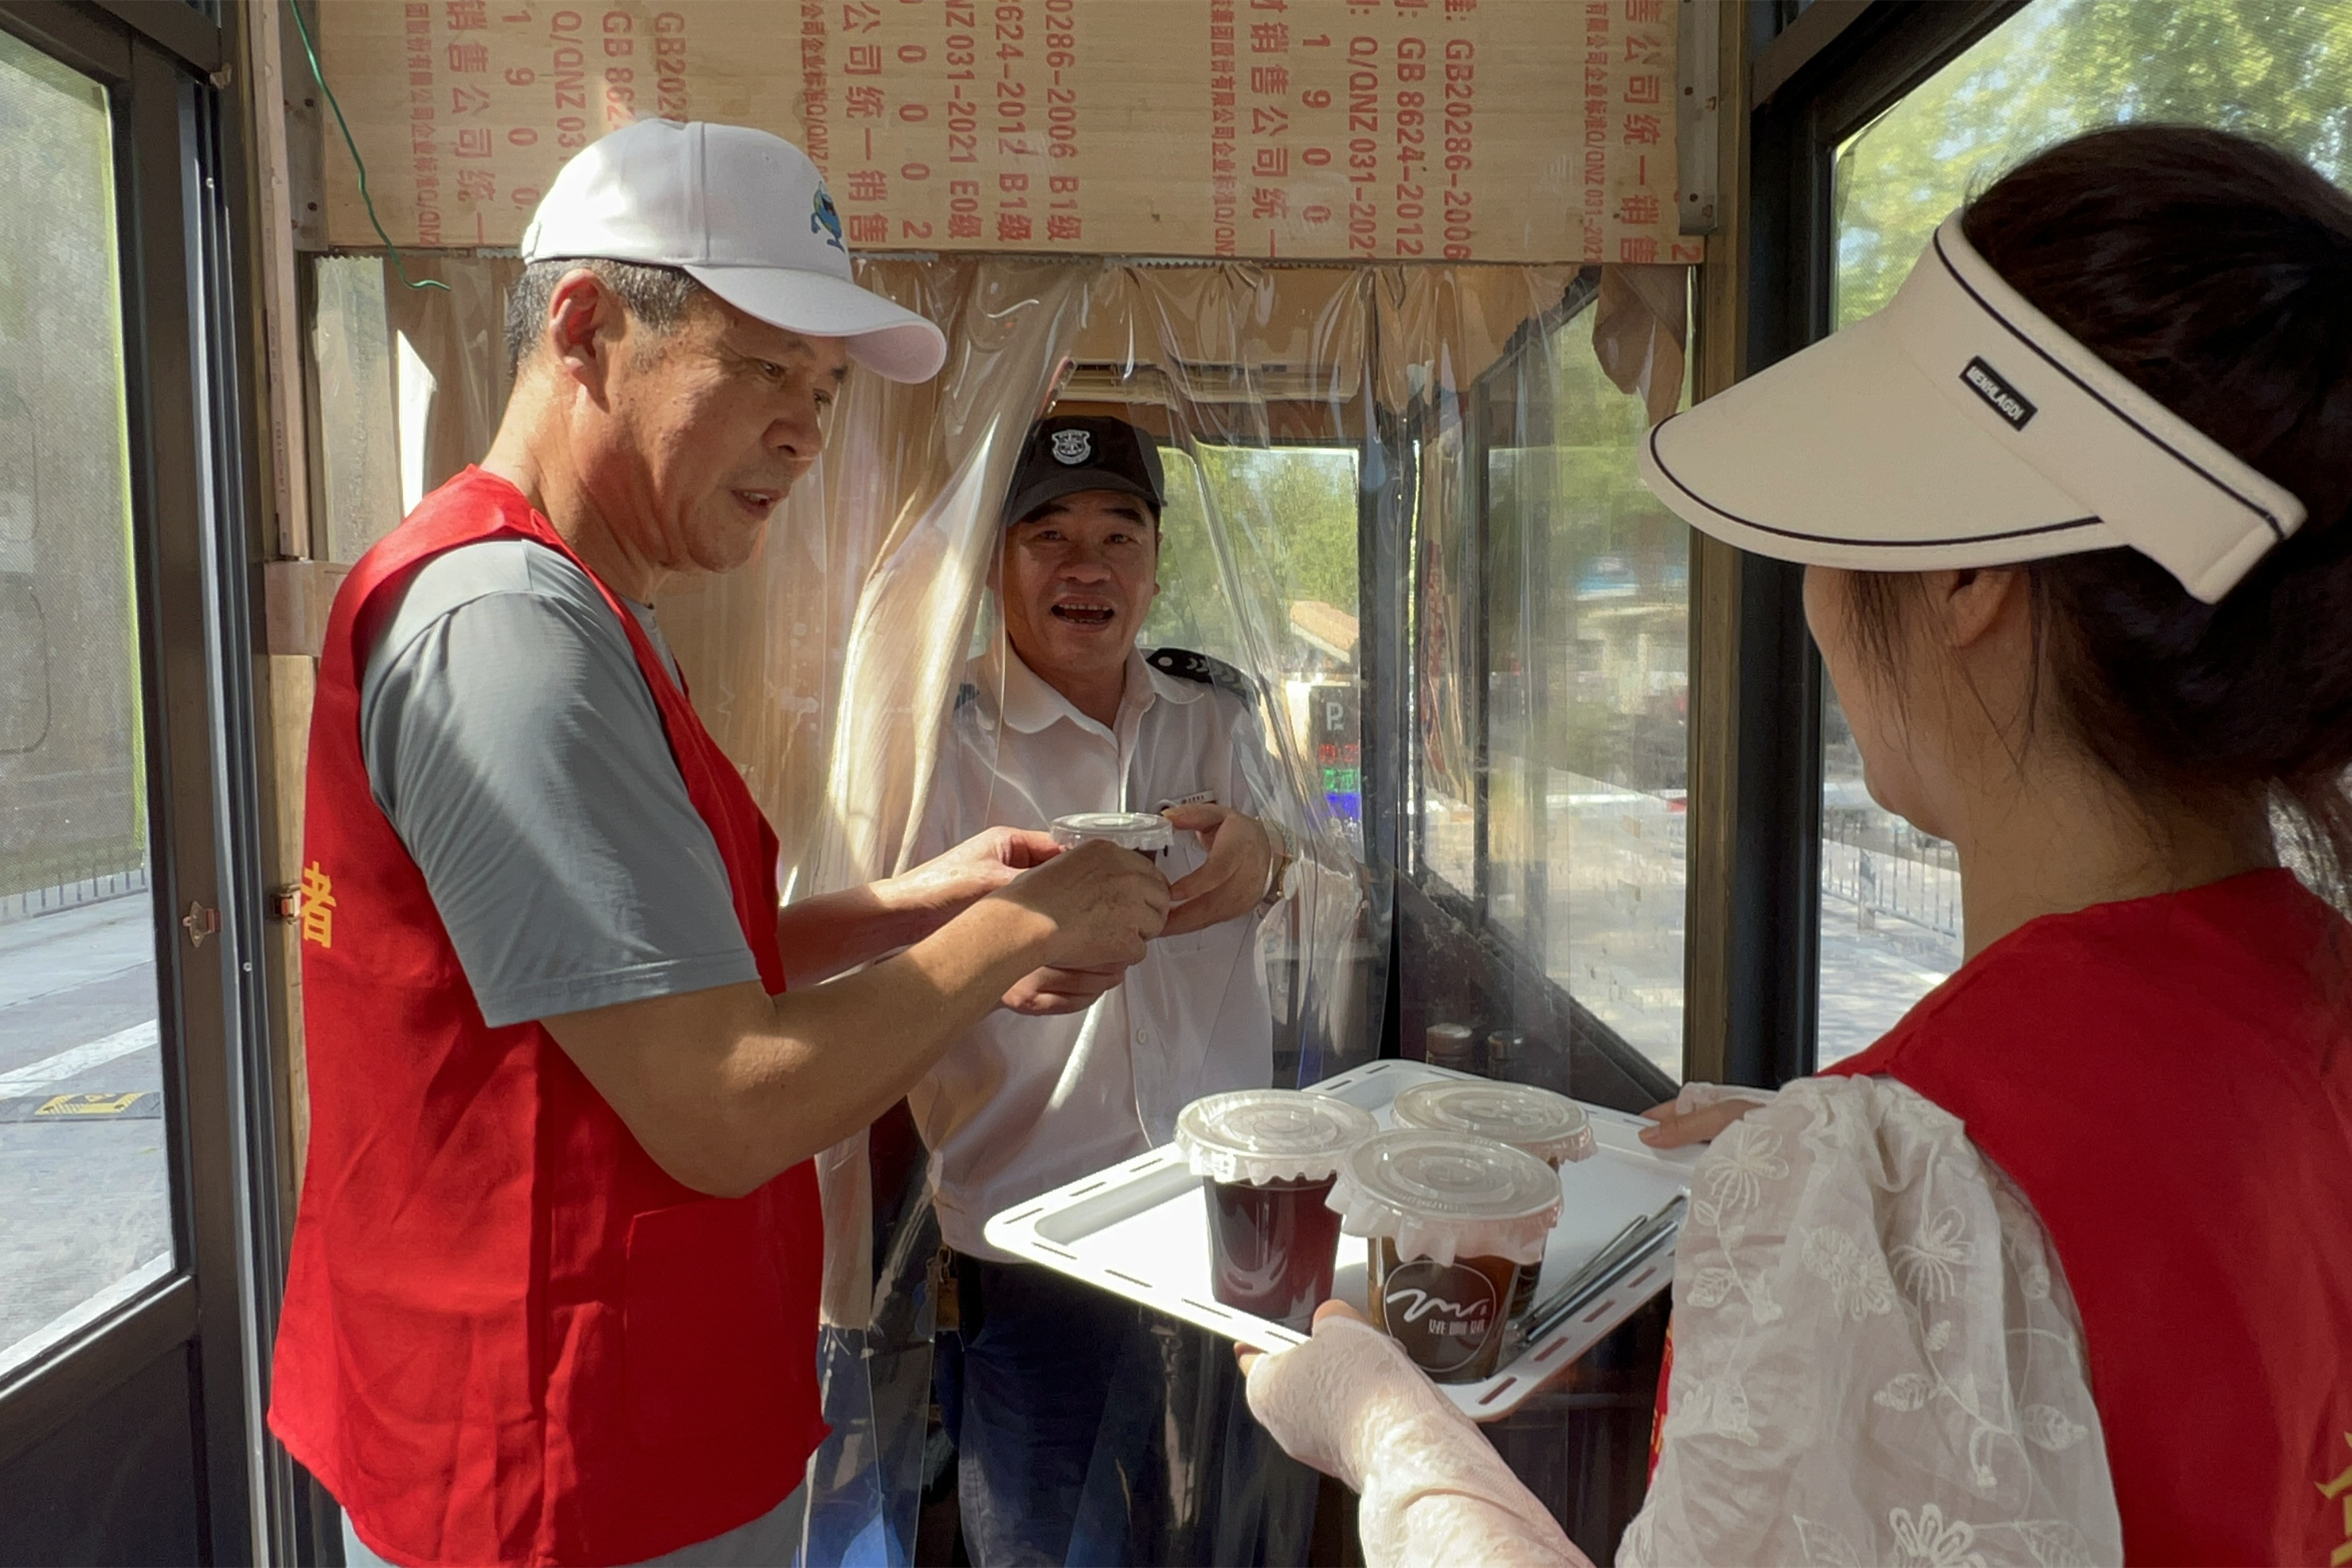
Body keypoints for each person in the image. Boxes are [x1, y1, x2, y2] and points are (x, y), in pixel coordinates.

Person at [1239, 124, 2352, 1566]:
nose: (1819, 599)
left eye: (1844, 525)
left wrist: (1389, 1436)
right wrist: (1869, 1189)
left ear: (1963, 572)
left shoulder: (1899, 1173)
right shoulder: (2302, 996)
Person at [267, 121, 1170, 1568]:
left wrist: (912, 907)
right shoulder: (508, 630)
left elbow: (658, 969)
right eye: (764, 369)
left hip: (619, 1414)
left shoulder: (580, 607)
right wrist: (1021, 928)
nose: (809, 432)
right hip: (558, 1455)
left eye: (821, 389)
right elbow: (723, 1101)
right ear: (586, 330)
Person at [908, 414, 1316, 1565]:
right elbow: (868, 970)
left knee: (1226, 1531)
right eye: (1046, 535)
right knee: (1055, 1543)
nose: (1085, 566)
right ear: (994, 560)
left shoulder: (1217, 716)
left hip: (1225, 1214)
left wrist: (1271, 854)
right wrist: (987, 957)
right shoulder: (939, 743)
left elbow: (1335, 887)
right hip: (1035, 1231)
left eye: (1117, 535)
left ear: (1152, 563)